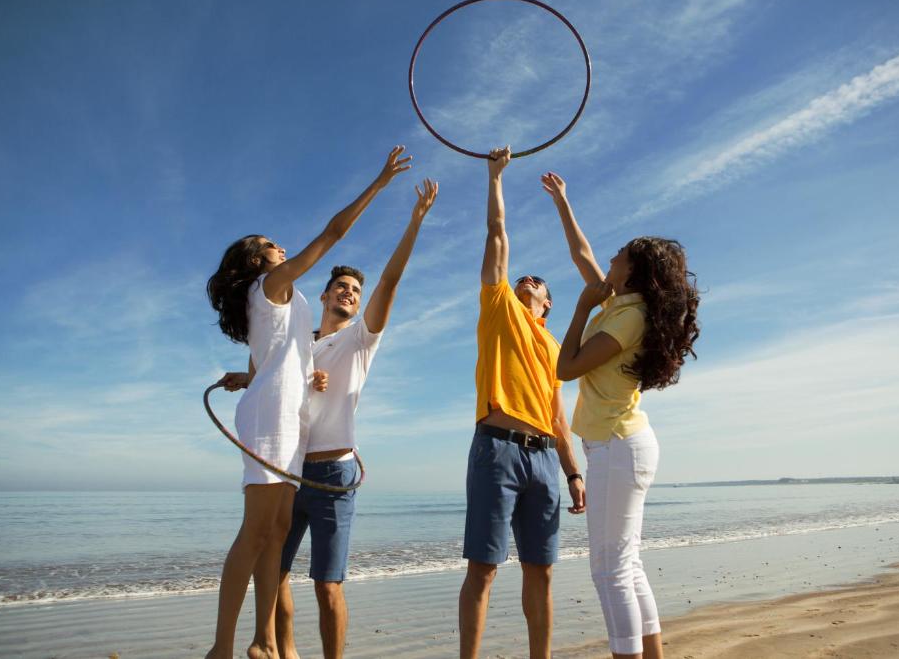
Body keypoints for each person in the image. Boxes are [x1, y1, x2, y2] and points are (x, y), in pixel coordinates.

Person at [204, 146, 412, 659]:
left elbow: (271, 356)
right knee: (255, 532)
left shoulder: (283, 298)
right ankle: (222, 649)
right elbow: (333, 233)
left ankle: (264, 641)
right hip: (271, 417)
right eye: (271, 245)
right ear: (257, 261)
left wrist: (263, 374)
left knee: (274, 532)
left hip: (285, 416)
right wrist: (379, 183)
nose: (280, 248)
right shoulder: (271, 283)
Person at [273, 179, 438, 659]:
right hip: (288, 470)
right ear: (323, 297)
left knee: (327, 587)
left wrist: (416, 220)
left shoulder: (361, 339)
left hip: (333, 473)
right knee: (273, 573)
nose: (349, 292)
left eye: (354, 290)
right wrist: (251, 377)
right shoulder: (300, 345)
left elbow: (389, 282)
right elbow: (274, 383)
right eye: (341, 287)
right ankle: (286, 652)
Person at [542, 171, 700, 659]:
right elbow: (582, 254)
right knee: (627, 564)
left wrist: (576, 310)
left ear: (633, 270)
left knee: (608, 568)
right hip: (619, 445)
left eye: (619, 256)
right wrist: (563, 202)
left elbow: (566, 369)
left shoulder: (627, 316)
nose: (609, 259)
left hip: (617, 445)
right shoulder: (621, 301)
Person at [459, 147, 586, 659]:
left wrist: (573, 472)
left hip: (543, 461)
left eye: (537, 282)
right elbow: (497, 237)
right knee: (484, 568)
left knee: (543, 570)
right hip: (497, 450)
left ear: (548, 303)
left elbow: (558, 417)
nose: (526, 280)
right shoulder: (499, 308)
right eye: (522, 279)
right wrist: (495, 180)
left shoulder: (556, 346)